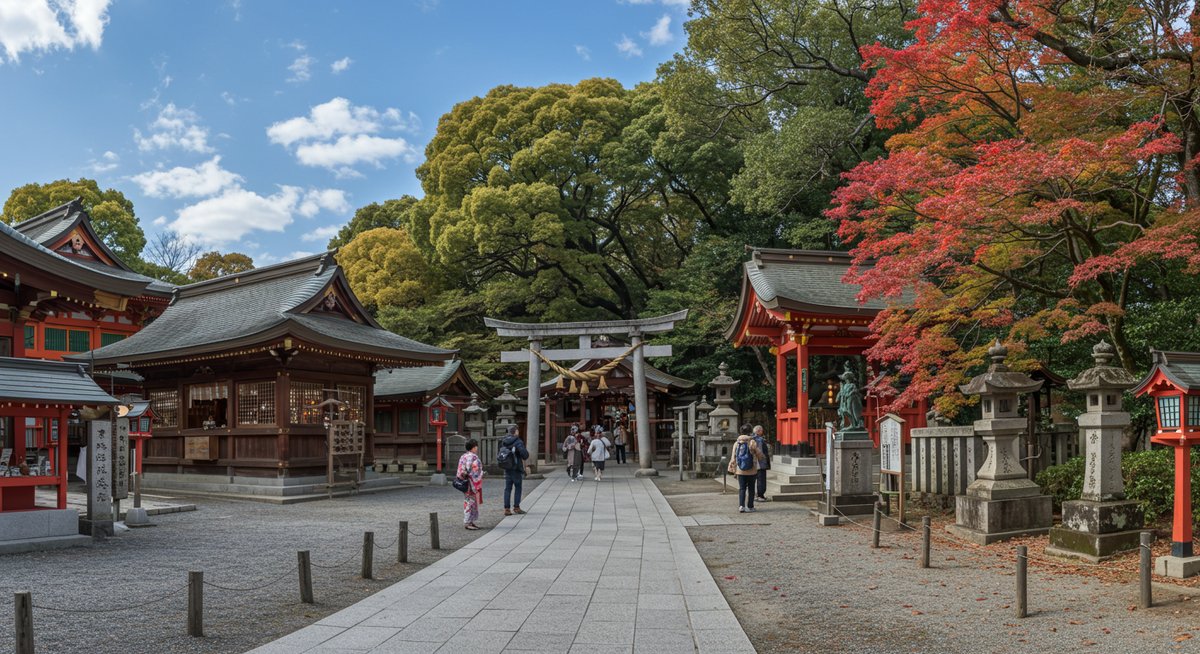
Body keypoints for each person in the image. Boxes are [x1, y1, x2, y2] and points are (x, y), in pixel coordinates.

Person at [727, 424, 765, 513]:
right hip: (752, 470)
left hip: (740, 470)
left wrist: (733, 467)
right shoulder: (752, 442)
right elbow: (759, 454)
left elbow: (733, 456)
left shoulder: (737, 443)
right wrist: (760, 458)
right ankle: (750, 506)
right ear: (750, 432)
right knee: (751, 488)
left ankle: (741, 506)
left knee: (742, 488)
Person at [500, 425, 529, 516]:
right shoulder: (517, 441)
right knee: (518, 487)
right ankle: (516, 507)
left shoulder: (503, 441)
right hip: (516, 468)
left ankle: (507, 509)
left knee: (507, 488)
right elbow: (525, 455)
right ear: (515, 432)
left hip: (506, 467)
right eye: (517, 431)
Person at [456, 438, 484, 530]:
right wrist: (481, 473)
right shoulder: (473, 457)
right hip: (470, 482)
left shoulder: (463, 456)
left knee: (470, 501)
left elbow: (462, 469)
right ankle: (468, 522)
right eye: (476, 446)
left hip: (464, 481)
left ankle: (470, 521)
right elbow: (471, 470)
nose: (477, 448)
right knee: (470, 502)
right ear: (473, 447)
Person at [752, 424, 772, 503]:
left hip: (753, 463)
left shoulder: (751, 439)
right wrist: (764, 460)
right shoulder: (759, 440)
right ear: (758, 431)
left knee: (754, 480)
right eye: (761, 430)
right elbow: (760, 453)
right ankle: (760, 495)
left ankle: (756, 495)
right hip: (759, 463)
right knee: (761, 479)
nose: (762, 432)